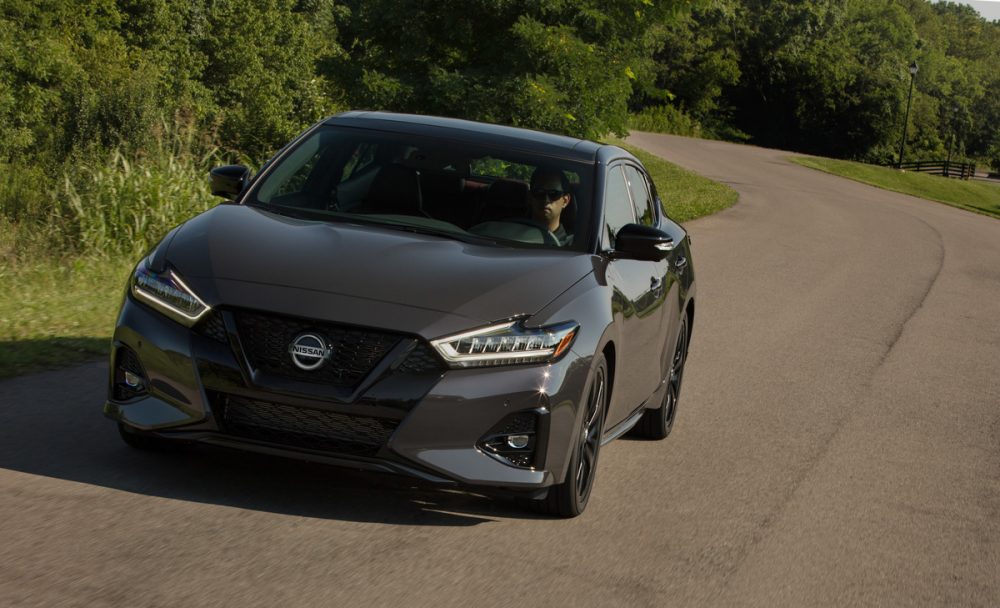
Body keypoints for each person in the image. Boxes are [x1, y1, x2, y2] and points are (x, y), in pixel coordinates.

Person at [528, 167, 573, 246]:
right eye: (539, 192)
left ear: (565, 201)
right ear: (530, 197)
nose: (546, 199)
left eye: (553, 194)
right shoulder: (509, 233)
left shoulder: (572, 247)